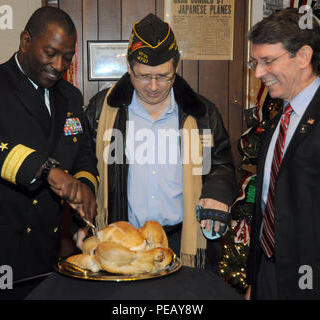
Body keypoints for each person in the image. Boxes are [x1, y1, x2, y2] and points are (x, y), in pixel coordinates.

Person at [0, 6, 98, 299]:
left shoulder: (69, 96)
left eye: (67, 57)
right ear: (25, 41)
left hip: (41, 262)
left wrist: (84, 187)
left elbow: (83, 150)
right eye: (50, 53)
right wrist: (46, 170)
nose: (59, 65)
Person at [79, 14, 238, 271]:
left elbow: (220, 164)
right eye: (143, 76)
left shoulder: (201, 113)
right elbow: (84, 163)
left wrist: (218, 191)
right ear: (129, 68)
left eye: (164, 76)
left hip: (182, 240)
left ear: (177, 67)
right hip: (122, 242)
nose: (153, 86)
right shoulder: (103, 109)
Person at [245, 8, 320, 299]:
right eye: (255, 63)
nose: (259, 73)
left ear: (303, 57)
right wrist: (254, 280)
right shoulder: (276, 123)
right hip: (269, 276)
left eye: (268, 61)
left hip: (314, 283)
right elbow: (263, 208)